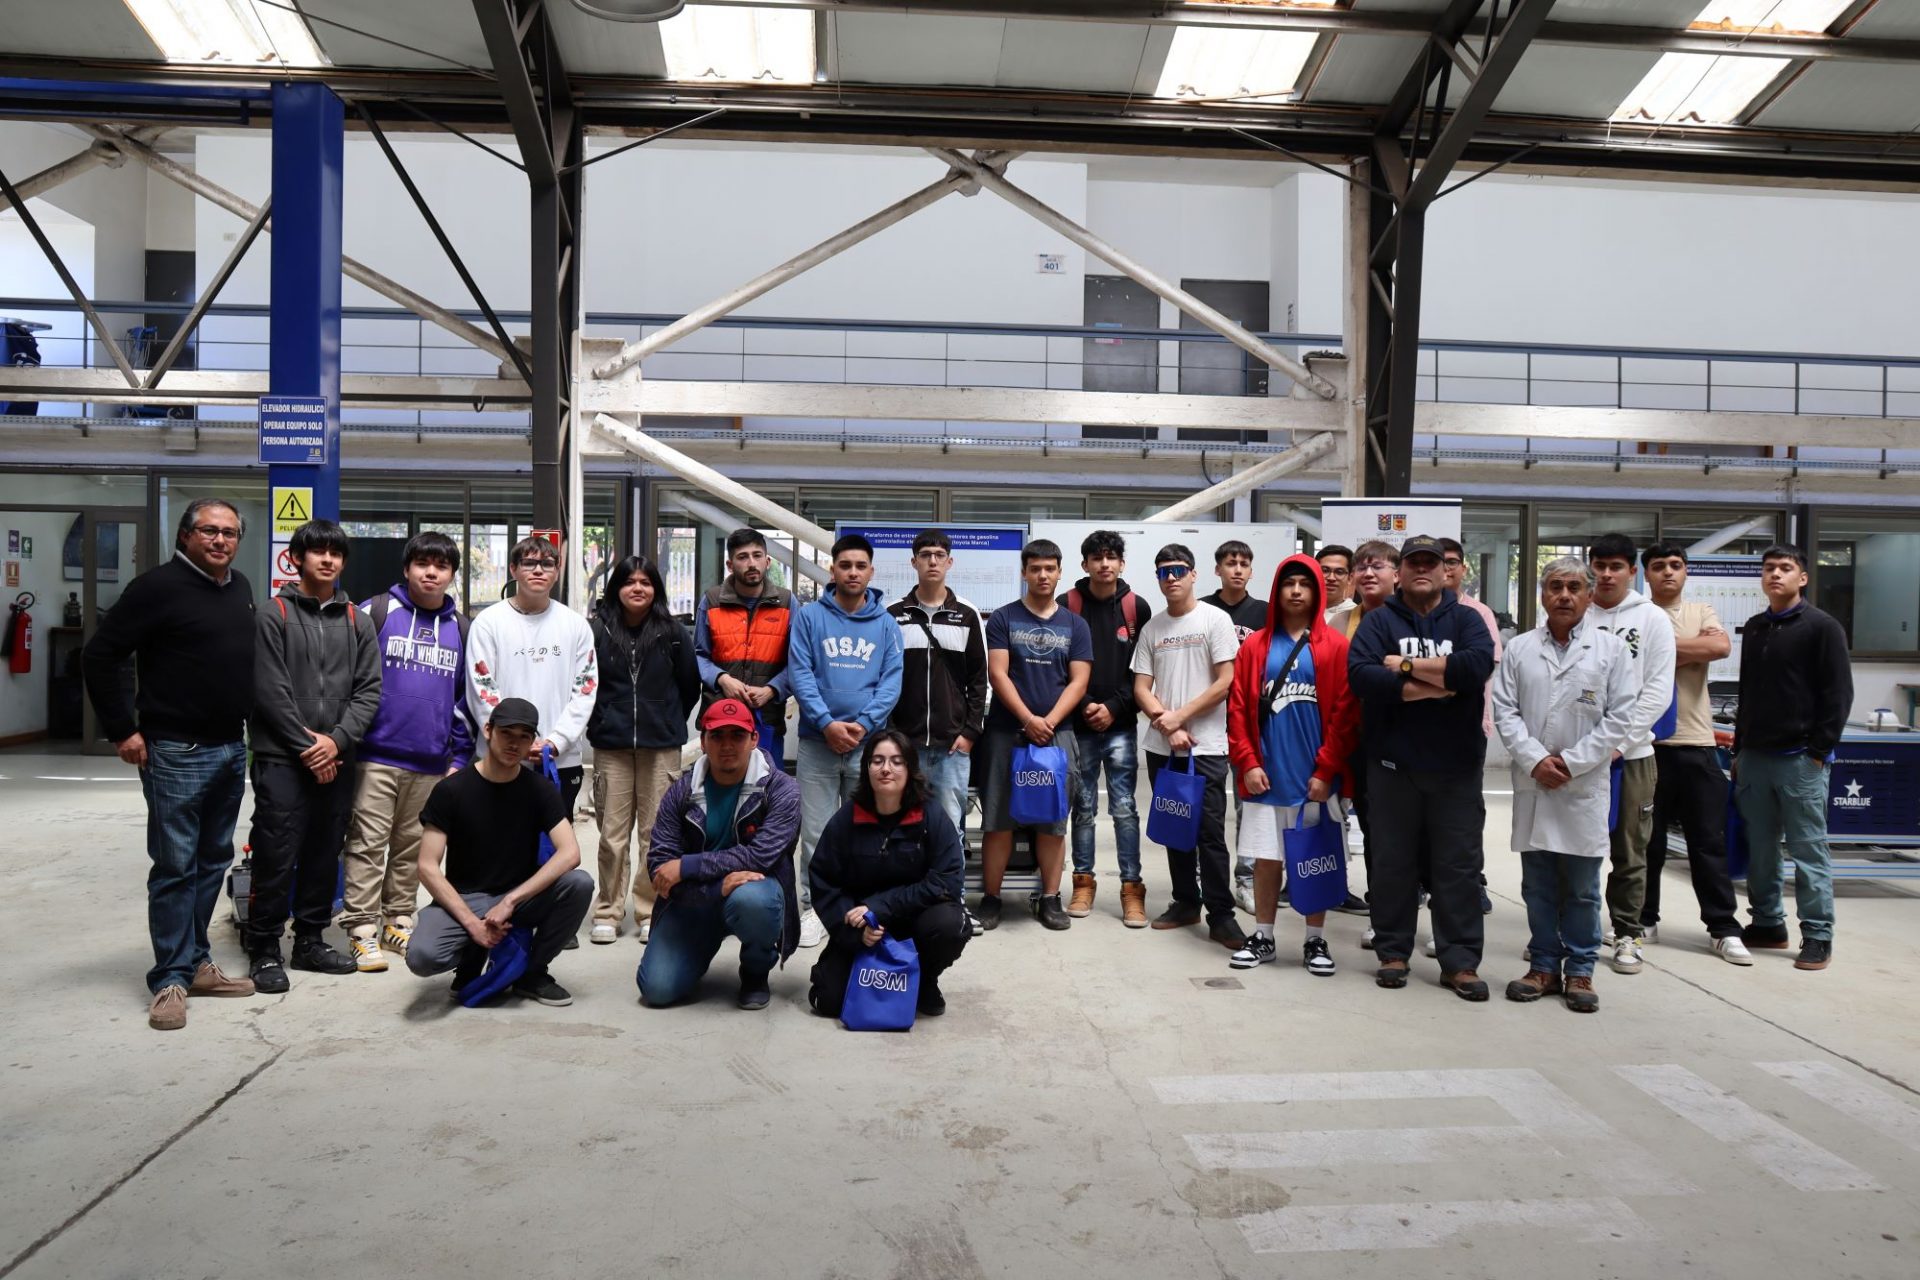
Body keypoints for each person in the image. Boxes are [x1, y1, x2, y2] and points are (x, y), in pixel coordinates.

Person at [82, 498, 259, 1030]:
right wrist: (122, 729)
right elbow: (99, 655)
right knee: (175, 868)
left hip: (229, 747)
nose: (220, 540)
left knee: (212, 861)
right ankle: (170, 980)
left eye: (230, 532)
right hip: (175, 751)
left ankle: (196, 962)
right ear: (185, 535)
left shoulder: (240, 587)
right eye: (209, 530)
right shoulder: (155, 587)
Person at [1348, 534, 1496, 998]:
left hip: (1456, 768)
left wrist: (1406, 667)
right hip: (1392, 766)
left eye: (1431, 563)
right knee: (1392, 864)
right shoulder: (1379, 621)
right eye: (1414, 563)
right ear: (1401, 571)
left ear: (1444, 570)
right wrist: (1439, 683)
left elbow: (1475, 669)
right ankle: (1393, 952)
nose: (1422, 570)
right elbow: (1363, 677)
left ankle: (1460, 962)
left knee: (1458, 867)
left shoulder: (1468, 619)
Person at [1493, 558, 1638, 1014]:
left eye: (1574, 587)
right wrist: (1536, 760)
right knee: (1537, 886)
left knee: (1582, 888)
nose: (1564, 595)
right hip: (1534, 782)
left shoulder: (1612, 650)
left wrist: (1571, 763)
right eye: (1555, 586)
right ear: (1542, 594)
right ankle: (1542, 966)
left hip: (1582, 786)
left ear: (1589, 596)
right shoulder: (1519, 649)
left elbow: (1620, 717)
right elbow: (1505, 711)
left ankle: (1580, 969)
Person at [243, 519, 381, 993]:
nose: (327, 560)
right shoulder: (273, 614)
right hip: (282, 757)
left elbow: (369, 690)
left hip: (337, 757)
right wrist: (309, 748)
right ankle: (263, 947)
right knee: (276, 851)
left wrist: (336, 742)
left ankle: (309, 940)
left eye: (335, 553)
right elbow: (269, 690)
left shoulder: (358, 621)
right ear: (297, 558)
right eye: (318, 551)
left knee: (325, 851)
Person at [340, 531, 476, 973]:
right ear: (406, 568)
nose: (431, 572)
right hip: (376, 757)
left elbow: (465, 701)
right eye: (422, 563)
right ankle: (361, 929)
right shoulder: (375, 612)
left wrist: (459, 759)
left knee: (411, 847)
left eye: (441, 566)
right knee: (366, 844)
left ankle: (397, 920)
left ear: (452, 574)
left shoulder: (462, 629)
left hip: (432, 763)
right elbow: (347, 679)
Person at [406, 698, 593, 1007]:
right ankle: (472, 957)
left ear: (533, 742)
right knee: (422, 957)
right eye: (507, 733)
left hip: (518, 897)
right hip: (466, 897)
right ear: (488, 730)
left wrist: (511, 901)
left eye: (524, 736)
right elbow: (427, 866)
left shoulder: (539, 789)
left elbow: (570, 853)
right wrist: (472, 924)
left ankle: (531, 973)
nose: (514, 744)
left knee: (579, 884)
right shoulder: (451, 790)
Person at [1225, 555, 1356, 976]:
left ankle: (1315, 939)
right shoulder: (1255, 646)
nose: (1296, 591)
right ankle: (1263, 935)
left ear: (1317, 592)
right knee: (1267, 859)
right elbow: (1238, 709)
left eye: (1305, 584)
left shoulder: (1335, 647)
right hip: (1266, 777)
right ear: (1277, 590)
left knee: (1316, 857)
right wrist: (1247, 763)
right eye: (1288, 583)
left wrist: (1326, 771)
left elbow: (1345, 716)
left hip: (1314, 779)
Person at [638, 699, 802, 1010]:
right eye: (717, 735)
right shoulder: (681, 791)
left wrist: (687, 866)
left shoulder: (781, 790)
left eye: (737, 735)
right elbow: (660, 867)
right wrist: (717, 889)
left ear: (754, 739)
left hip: (750, 895)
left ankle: (755, 971)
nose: (727, 745)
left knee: (754, 901)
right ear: (703, 742)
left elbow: (759, 857)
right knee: (657, 990)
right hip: (695, 899)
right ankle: (698, 945)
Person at [1733, 545, 1851, 972]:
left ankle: (1818, 934)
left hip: (1800, 759)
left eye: (1786, 568)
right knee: (1761, 848)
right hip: (1756, 757)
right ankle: (1767, 923)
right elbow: (1748, 692)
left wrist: (1817, 752)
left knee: (1807, 850)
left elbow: (1838, 695)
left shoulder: (1823, 628)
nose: (1776, 574)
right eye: (1770, 568)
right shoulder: (1756, 627)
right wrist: (1740, 748)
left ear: (1802, 578)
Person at [788, 533, 904, 948]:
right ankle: (814, 909)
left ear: (871, 572)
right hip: (817, 744)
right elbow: (800, 672)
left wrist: (863, 725)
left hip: (867, 748)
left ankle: (863, 907)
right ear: (833, 570)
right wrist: (826, 724)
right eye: (845, 565)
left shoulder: (886, 623)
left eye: (860, 566)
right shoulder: (809, 617)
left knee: (868, 831)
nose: (852, 572)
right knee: (816, 833)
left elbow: (891, 681)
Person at [806, 731, 970, 1019]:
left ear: (910, 769)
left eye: (896, 761)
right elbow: (823, 880)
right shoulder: (847, 819)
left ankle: (924, 978)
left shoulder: (931, 815)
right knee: (828, 1001)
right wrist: (854, 932)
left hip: (916, 920)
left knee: (949, 925)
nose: (886, 769)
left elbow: (948, 880)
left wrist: (879, 907)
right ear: (866, 768)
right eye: (877, 760)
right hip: (862, 927)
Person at [1640, 542, 1748, 964]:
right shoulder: (1637, 614)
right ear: (1645, 573)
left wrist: (1660, 652)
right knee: (1646, 843)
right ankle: (1642, 920)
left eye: (1676, 565)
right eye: (1658, 566)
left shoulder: (1701, 611)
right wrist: (1689, 649)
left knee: (1707, 842)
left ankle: (1723, 928)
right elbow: (1631, 661)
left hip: (1697, 744)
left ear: (1685, 571)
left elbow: (1718, 649)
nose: (1668, 572)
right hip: (1646, 746)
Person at [1132, 543, 1244, 949]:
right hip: (1163, 747)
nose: (1171, 578)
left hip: (1206, 747)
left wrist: (1179, 718)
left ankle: (1221, 915)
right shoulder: (1152, 628)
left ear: (1194, 574)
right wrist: (1167, 724)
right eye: (1164, 572)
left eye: (1179, 570)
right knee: (1175, 828)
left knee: (1210, 834)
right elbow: (1140, 687)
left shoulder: (1215, 619)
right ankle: (1185, 902)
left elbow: (1225, 682)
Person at [979, 539, 1093, 931]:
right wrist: (1028, 719)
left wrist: (1049, 721)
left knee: (1052, 820)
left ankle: (1050, 898)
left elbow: (1078, 681)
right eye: (1035, 568)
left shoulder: (1075, 624)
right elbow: (997, 673)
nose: (1043, 575)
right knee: (998, 818)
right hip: (1006, 733)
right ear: (1024, 573)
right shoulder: (1003, 618)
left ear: (1059, 572)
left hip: (1057, 735)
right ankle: (991, 898)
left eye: (1049, 568)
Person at [586, 554, 699, 946]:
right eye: (629, 581)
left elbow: (690, 685)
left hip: (661, 746)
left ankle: (650, 910)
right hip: (611, 745)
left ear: (656, 589)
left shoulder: (673, 632)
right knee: (612, 835)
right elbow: (585, 684)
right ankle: (608, 911)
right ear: (616, 588)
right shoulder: (598, 630)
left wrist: (666, 719)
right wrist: (603, 719)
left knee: (656, 833)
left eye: (645, 582)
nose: (637, 588)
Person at [1585, 532, 1676, 976]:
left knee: (1630, 848)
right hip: (1581, 756)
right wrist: (1585, 747)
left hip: (1632, 754)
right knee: (1574, 848)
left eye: (1615, 567)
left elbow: (1657, 690)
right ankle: (1572, 930)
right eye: (1599, 566)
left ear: (1631, 571)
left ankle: (1627, 932)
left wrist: (1618, 744)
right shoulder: (1578, 612)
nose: (1606, 574)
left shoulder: (1652, 618)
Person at [466, 535, 598, 823]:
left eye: (547, 564)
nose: (538, 570)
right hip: (499, 757)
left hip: (559, 760)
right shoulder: (488, 623)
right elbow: (482, 688)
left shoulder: (575, 625)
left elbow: (584, 691)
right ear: (513, 569)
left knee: (554, 843)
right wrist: (513, 739)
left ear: (557, 571)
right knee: (495, 839)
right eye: (528, 563)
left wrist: (555, 741)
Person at [1062, 530, 1150, 924]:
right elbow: (1059, 667)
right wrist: (1084, 705)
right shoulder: (1068, 605)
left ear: (1121, 563)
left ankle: (1132, 888)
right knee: (1082, 809)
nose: (1104, 564)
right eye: (1097, 558)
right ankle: (1083, 884)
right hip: (1078, 725)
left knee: (1125, 808)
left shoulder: (1136, 607)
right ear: (1085, 564)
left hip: (1121, 725)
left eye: (1111, 557)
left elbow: (1144, 670)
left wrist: (1114, 707)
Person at [886, 529, 988, 836]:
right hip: (905, 744)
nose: (933, 561)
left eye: (939, 555)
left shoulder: (967, 615)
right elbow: (883, 678)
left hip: (952, 747)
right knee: (903, 828)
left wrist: (970, 733)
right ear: (914, 562)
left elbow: (979, 679)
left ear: (949, 562)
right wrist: (891, 734)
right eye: (926, 555)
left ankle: (949, 873)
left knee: (949, 829)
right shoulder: (893, 614)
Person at [694, 527, 795, 768]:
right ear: (730, 565)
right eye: (742, 557)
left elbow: (799, 662)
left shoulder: (787, 602)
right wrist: (722, 679)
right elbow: (698, 655)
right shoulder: (711, 601)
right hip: (720, 718)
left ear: (767, 562)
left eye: (757, 555)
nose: (751, 563)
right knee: (720, 783)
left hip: (767, 716)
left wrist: (772, 689)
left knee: (768, 785)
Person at [1441, 535, 1502, 920]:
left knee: (1465, 810)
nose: (1445, 568)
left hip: (1468, 728)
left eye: (1452, 561)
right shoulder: (1408, 612)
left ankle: (1472, 880)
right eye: (1439, 561)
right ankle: (1422, 880)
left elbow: (1481, 666)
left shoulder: (1479, 614)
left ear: (1463, 568)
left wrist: (1432, 674)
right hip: (1418, 730)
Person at [1202, 540, 1267, 643]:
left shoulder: (1265, 611)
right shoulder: (1200, 608)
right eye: (1231, 564)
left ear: (1250, 573)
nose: (1238, 571)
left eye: (1244, 565)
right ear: (1218, 570)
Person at [1318, 544, 1356, 630]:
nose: (1331, 578)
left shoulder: (1356, 615)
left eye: (1339, 572)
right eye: (1325, 570)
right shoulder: (1302, 611)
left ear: (1350, 578)